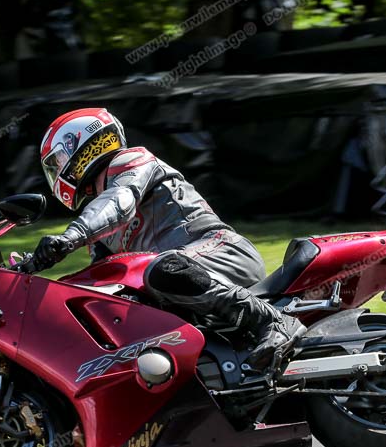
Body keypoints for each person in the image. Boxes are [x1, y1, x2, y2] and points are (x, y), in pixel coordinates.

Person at [33, 108, 306, 371]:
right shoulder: (100, 224)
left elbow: (120, 201)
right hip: (181, 277)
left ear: (79, 147)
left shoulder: (130, 162)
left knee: (162, 269)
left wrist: (70, 237)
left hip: (223, 251)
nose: (56, 171)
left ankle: (274, 321)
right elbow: (99, 284)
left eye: (56, 161)